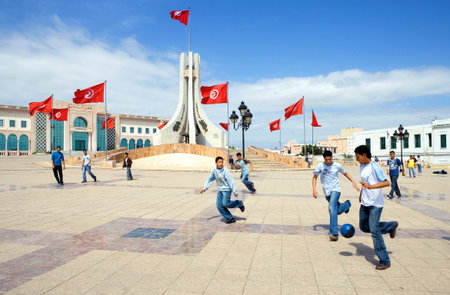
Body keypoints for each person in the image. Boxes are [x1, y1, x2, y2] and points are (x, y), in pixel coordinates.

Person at [354, 145, 398, 270]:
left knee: (374, 230)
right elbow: (364, 183)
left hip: (375, 204)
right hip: (365, 202)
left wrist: (370, 187)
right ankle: (391, 226)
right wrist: (362, 194)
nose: (356, 159)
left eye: (357, 156)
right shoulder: (362, 166)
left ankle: (385, 260)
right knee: (363, 227)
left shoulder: (375, 166)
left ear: (364, 155)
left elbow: (386, 182)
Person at [312, 150, 360, 241]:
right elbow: (314, 178)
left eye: (330, 159)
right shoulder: (320, 166)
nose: (328, 161)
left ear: (332, 157)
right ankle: (346, 205)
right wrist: (314, 189)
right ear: (324, 159)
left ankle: (334, 233)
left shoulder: (337, 166)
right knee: (336, 210)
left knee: (331, 208)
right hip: (327, 192)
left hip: (336, 189)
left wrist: (353, 182)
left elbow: (346, 174)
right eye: (326, 160)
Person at [201, 156, 245, 224]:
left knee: (225, 204)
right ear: (216, 163)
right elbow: (210, 179)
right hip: (220, 190)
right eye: (219, 162)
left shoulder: (225, 171)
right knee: (219, 205)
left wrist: (234, 191)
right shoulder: (214, 171)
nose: (221, 163)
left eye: (222, 162)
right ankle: (229, 217)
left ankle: (239, 203)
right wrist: (205, 188)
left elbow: (231, 181)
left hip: (227, 190)